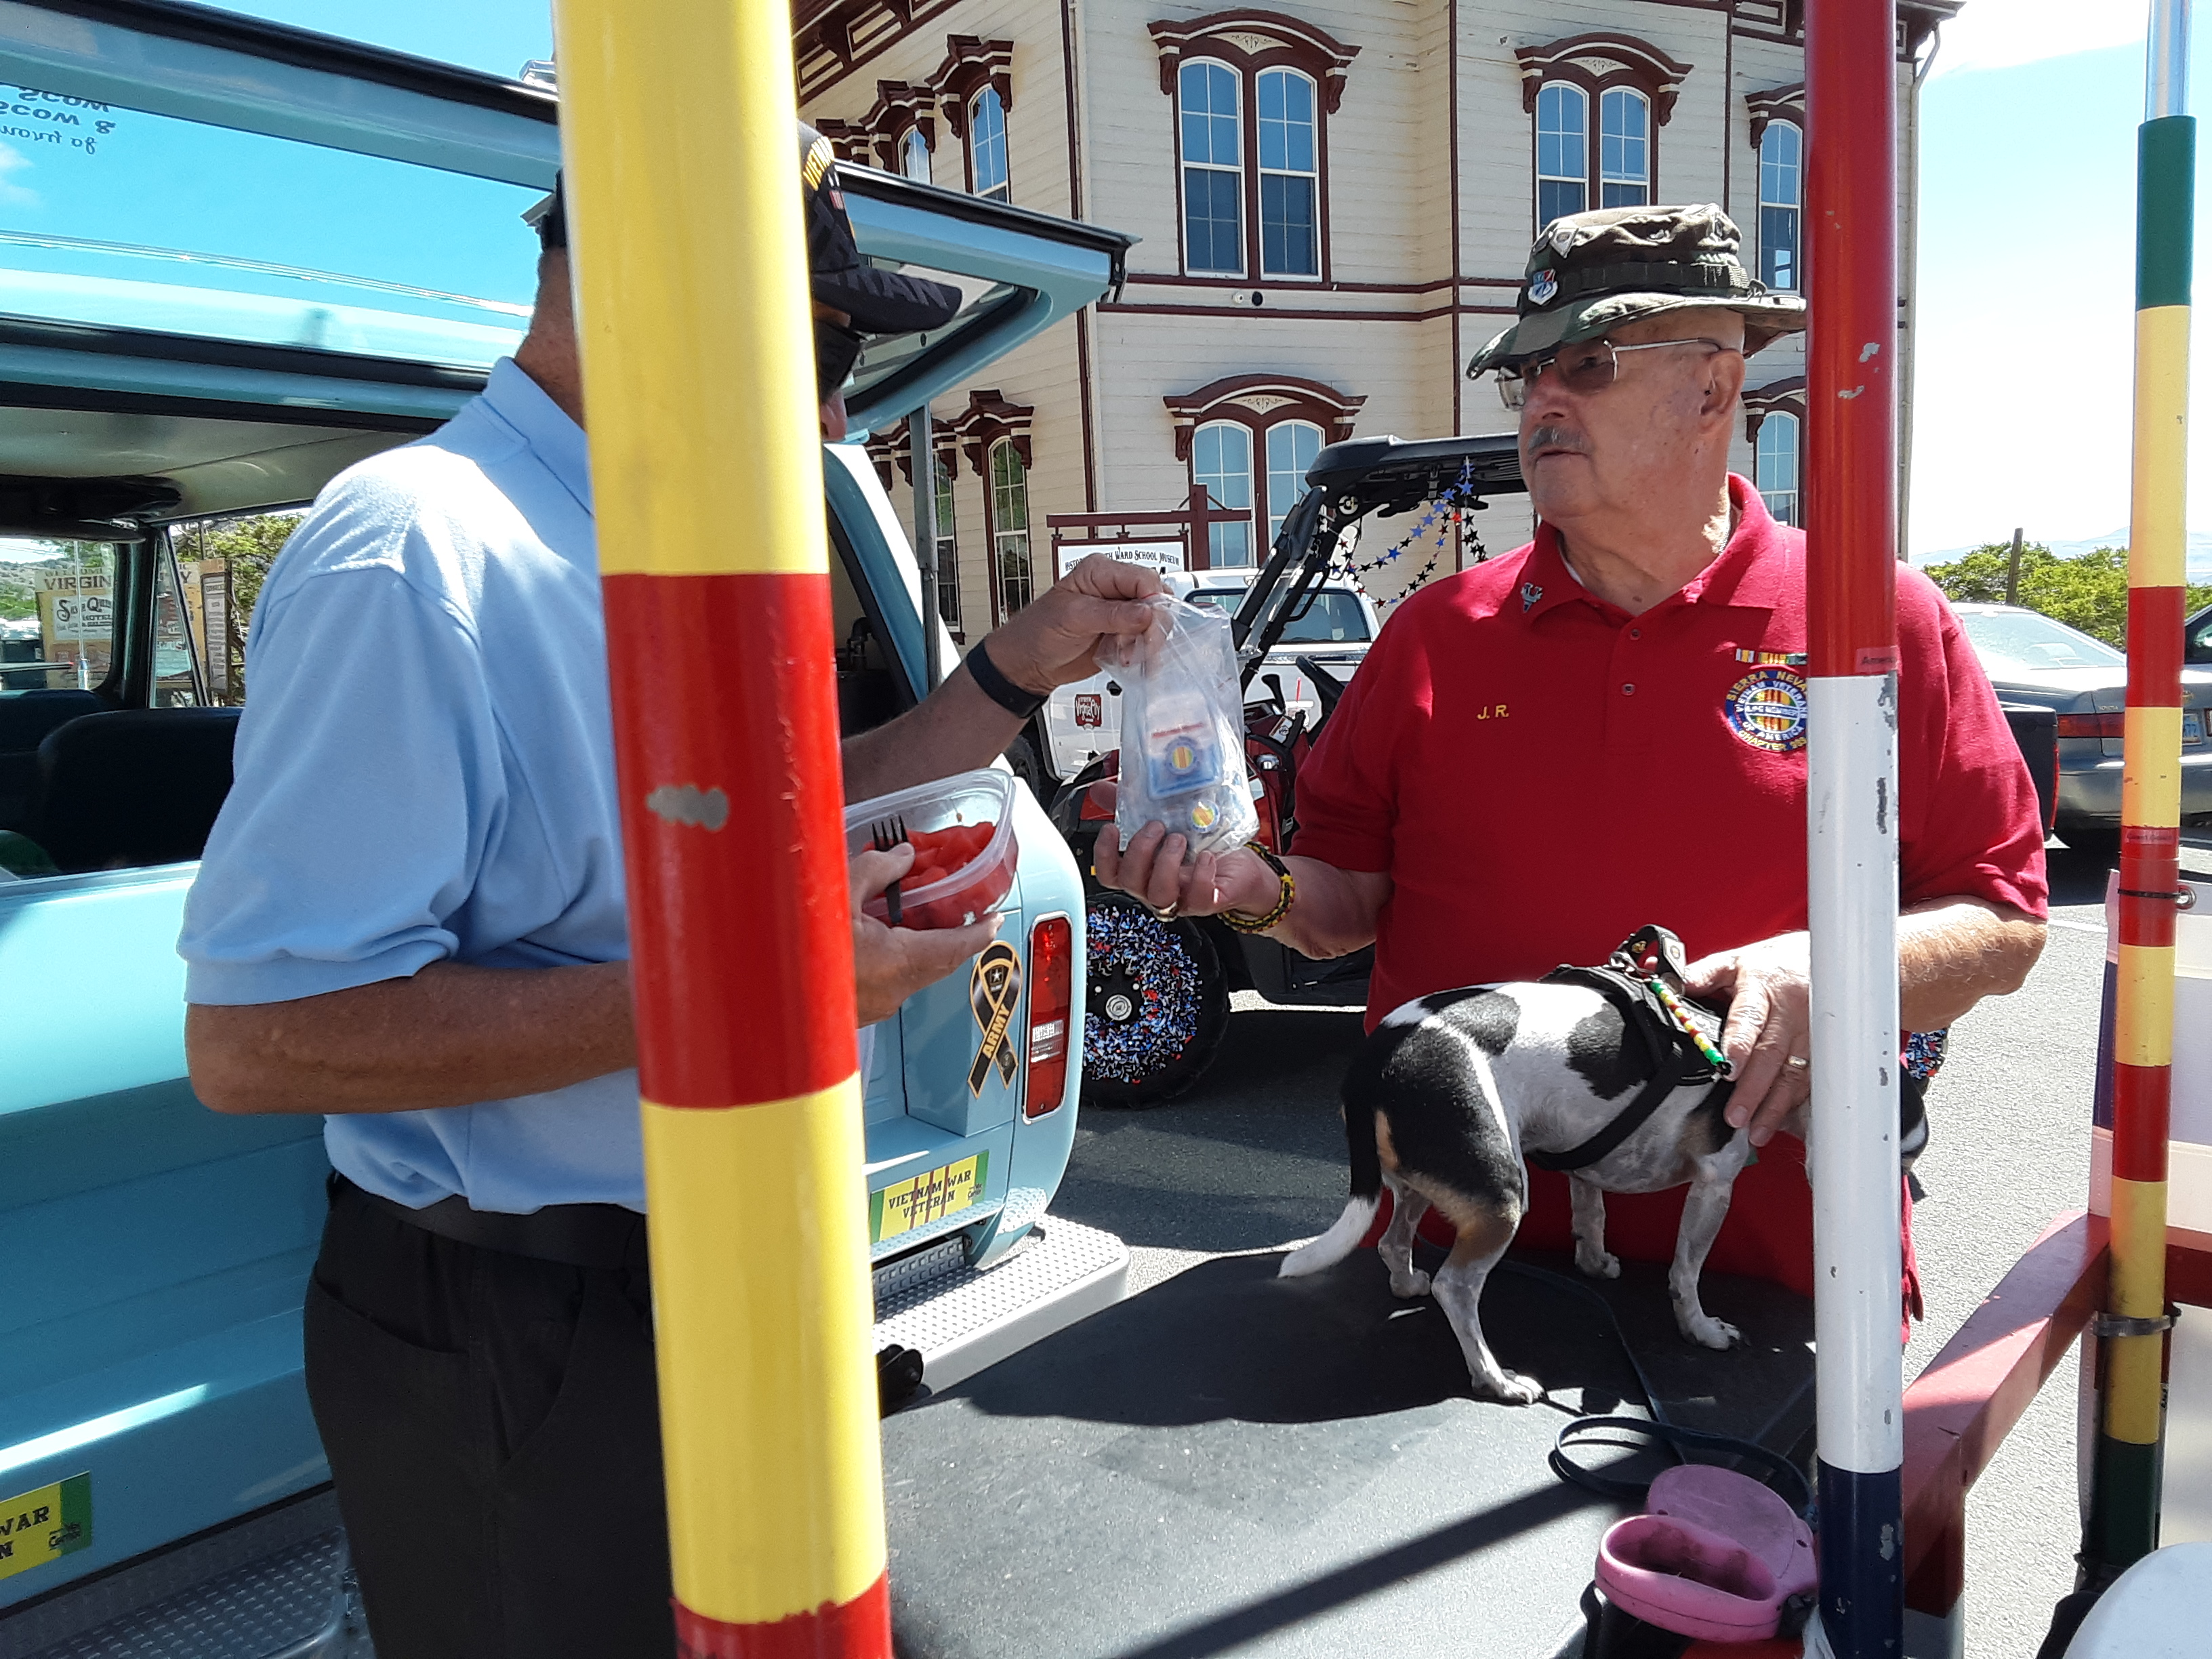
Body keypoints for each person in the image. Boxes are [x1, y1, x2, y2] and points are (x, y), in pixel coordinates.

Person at [179, 129, 1160, 1658]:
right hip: (525, 1329)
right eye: (820, 350)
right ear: (663, 299)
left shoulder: (641, 540)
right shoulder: (415, 554)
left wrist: (1013, 670)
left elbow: (796, 800)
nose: (834, 411)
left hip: (706, 1279)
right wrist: (772, 985)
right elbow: (262, 1040)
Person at [1099, 203, 2047, 1303]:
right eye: (1529, 374)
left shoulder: (1873, 623)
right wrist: (1245, 890)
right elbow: (1344, 902)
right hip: (1459, 1280)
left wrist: (1829, 973)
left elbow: (2006, 922)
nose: (1544, 399)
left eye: (1588, 364)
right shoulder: (1434, 634)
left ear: (1714, 387)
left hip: (1779, 1282)